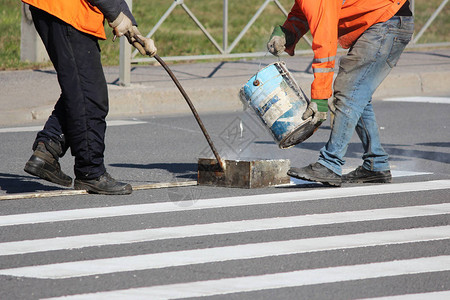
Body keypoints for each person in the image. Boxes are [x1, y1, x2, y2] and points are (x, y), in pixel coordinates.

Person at [267, 0, 414, 187]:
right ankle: (376, 164)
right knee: (358, 92)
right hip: (385, 19)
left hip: (387, 21)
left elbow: (325, 45)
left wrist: (320, 98)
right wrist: (288, 32)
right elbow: (304, 10)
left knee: (349, 91)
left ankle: (330, 163)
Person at [22, 0, 156, 194]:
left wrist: (132, 29)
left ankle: (47, 151)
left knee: (79, 89)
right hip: (68, 12)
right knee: (89, 96)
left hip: (63, 10)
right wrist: (117, 16)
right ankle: (91, 173)